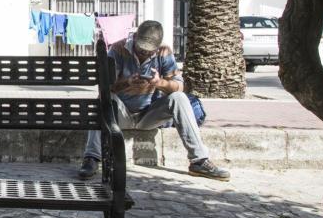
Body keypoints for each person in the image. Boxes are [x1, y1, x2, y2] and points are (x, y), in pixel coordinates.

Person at [78, 19, 230, 182]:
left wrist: (159, 83)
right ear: (135, 37)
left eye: (150, 51)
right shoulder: (117, 49)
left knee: (179, 98)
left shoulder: (164, 52)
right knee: (102, 100)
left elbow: (179, 86)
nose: (145, 53)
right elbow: (105, 88)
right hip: (121, 113)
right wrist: (127, 82)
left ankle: (199, 160)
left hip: (148, 114)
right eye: (142, 49)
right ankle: (92, 157)